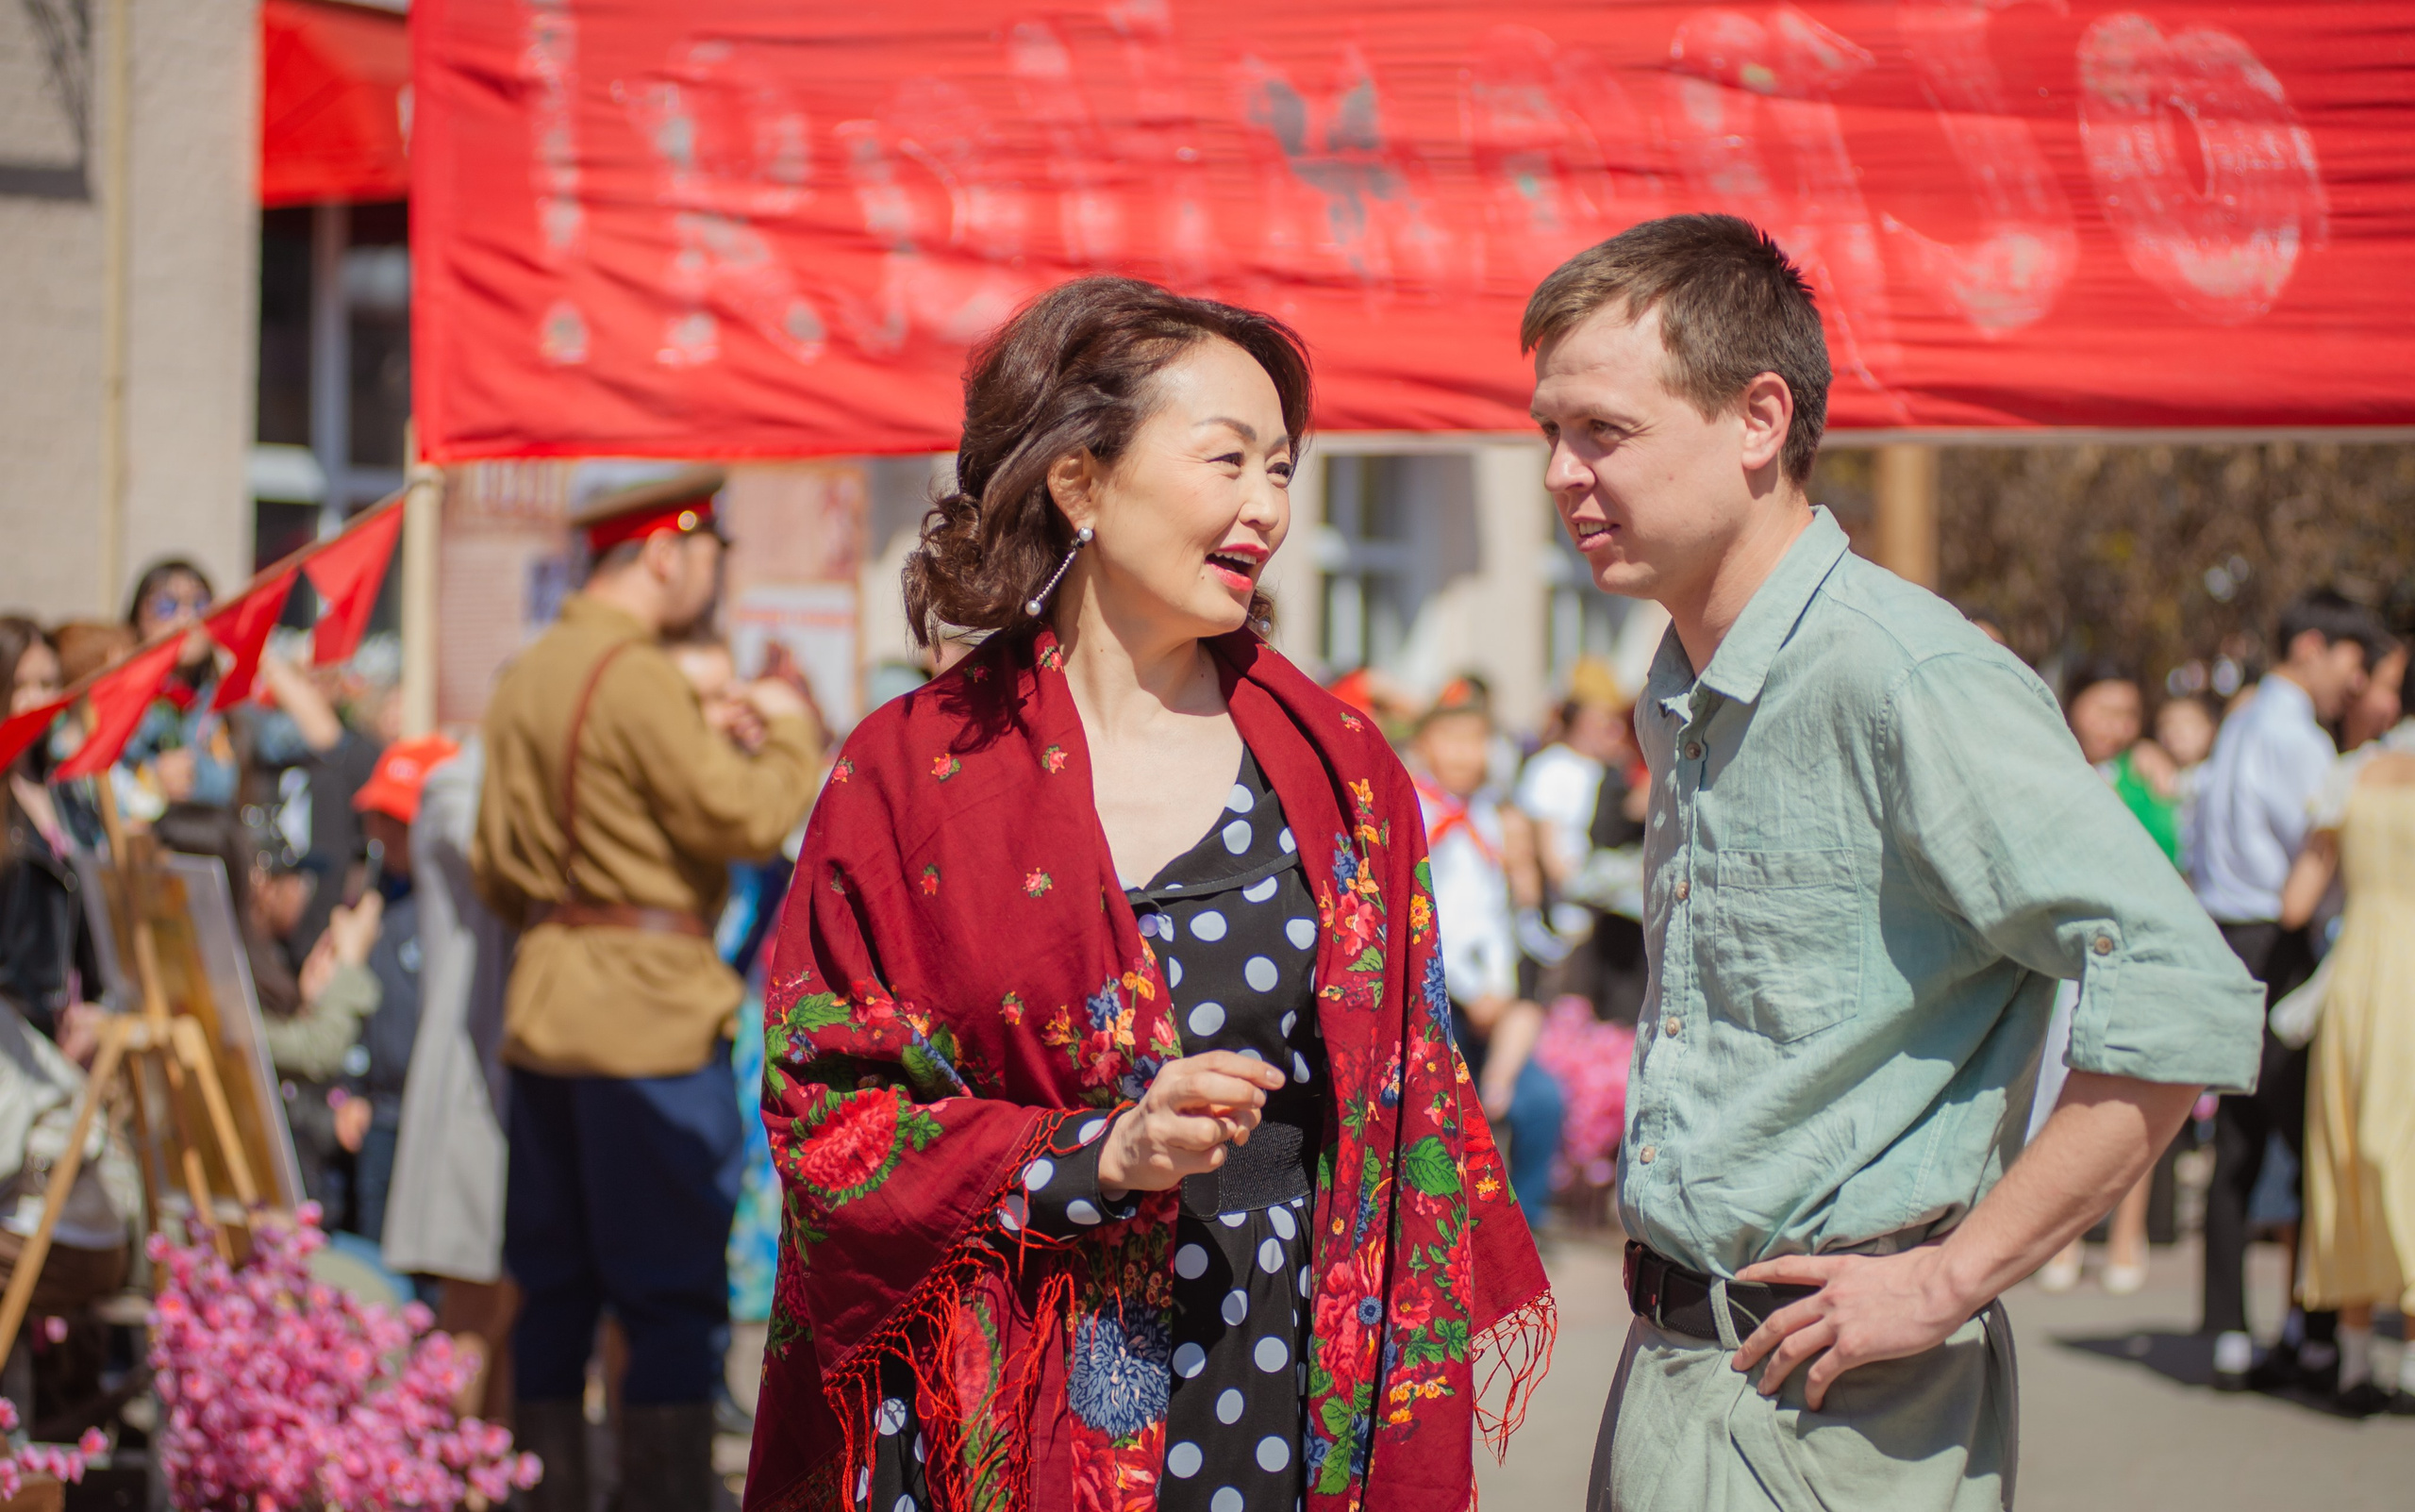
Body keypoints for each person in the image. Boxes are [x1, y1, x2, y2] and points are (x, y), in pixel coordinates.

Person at [742, 276, 1550, 1512]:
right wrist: (1096, 1149)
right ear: (1080, 478)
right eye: (1228, 459)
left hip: (1272, 1367)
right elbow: (828, 1112)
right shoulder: (907, 772)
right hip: (1000, 1402)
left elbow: (1407, 1111)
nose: (1267, 507)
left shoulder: (1345, 771)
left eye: (1283, 468)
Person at [1523, 214, 2261, 1511]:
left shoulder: (1905, 672)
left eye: (1602, 430)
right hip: (1677, 1377)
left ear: (1759, 420)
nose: (1561, 473)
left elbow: (2181, 992)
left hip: (1831, 1420)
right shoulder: (1682, 682)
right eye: (1550, 433)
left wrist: (1949, 1275)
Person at [472, 467, 821, 1512]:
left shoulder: (528, 672)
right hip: (651, 1024)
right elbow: (747, 818)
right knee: (671, 1299)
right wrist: (792, 727)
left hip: (545, 1011)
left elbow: (494, 865)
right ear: (664, 552)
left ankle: (547, 1494)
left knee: (553, 1290)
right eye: (710, 554)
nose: (712, 576)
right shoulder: (635, 676)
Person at [2190, 588, 2385, 1393]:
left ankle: (2230, 1331)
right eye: (2351, 658)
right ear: (2311, 644)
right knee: (2309, 1138)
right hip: (2282, 943)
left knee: (2235, 1143)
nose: (2355, 678)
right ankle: (2309, 1334)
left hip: (2223, 937)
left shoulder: (2237, 722)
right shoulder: (2297, 736)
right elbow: (2322, 853)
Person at [2278, 642, 2415, 1414]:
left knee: (2348, 1153)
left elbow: (2298, 902)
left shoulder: (2349, 775)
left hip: (2361, 978)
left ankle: (2358, 1359)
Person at [2031, 666, 2183, 1294]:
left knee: (2127, 1096)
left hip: (2131, 952)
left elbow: (2170, 854)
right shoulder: (2046, 757)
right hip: (2062, 958)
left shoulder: (2149, 779)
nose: (2117, 723)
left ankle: (2128, 1232)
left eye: (2129, 711)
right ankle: (2057, 1237)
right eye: (2105, 707)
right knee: (2060, 1096)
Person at [380, 733, 517, 1421]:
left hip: (513, 1079)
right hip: (471, 1073)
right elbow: (509, 866)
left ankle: (493, 1472)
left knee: (512, 1306)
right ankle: (448, 1471)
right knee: (472, 1301)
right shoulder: (456, 787)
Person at [1413, 678, 1566, 1233]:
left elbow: (1507, 921)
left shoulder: (1497, 818)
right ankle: (1445, 1234)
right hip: (1436, 1000)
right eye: (1451, 739)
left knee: (1540, 1101)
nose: (1464, 754)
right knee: (1442, 1124)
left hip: (1495, 999)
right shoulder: (1412, 811)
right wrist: (1470, 992)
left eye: (1476, 740)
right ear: (1426, 744)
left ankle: (1520, 1227)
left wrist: (1527, 874)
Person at [346, 736, 459, 1245]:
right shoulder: (366, 895)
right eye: (380, 817)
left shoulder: (456, 909)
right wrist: (351, 1090)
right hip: (379, 1116)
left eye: (400, 821)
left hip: (438, 1118)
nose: (385, 833)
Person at [0, 620, 100, 1046]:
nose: (37, 699)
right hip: (14, 1031)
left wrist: (98, 1007)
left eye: (48, 683)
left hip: (73, 1027)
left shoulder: (69, 791)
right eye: (21, 685)